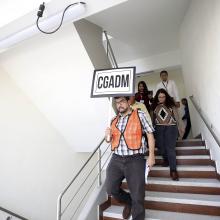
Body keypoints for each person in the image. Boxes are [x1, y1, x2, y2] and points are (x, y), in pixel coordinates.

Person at [105, 96, 155, 220]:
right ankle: (128, 201)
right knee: (111, 188)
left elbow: (150, 134)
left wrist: (152, 155)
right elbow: (109, 140)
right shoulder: (113, 120)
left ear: (128, 102)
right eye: (117, 103)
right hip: (116, 159)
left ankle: (137, 214)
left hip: (135, 159)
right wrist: (107, 137)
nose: (119, 105)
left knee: (138, 195)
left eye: (122, 101)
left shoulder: (139, 114)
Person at [152, 89, 184, 181]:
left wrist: (180, 129)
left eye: (163, 97)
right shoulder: (154, 106)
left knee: (170, 148)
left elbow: (177, 117)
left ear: (166, 96)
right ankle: (165, 159)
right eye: (159, 97)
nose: (161, 98)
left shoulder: (171, 104)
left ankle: (173, 171)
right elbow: (152, 119)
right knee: (161, 147)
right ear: (157, 97)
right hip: (158, 128)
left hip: (171, 127)